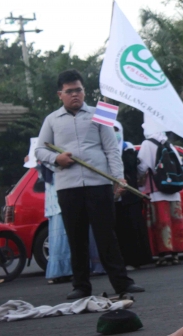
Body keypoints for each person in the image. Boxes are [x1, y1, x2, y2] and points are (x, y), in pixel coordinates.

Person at [35, 69, 144, 299]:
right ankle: (81, 287)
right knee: (76, 238)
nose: (75, 95)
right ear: (60, 94)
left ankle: (122, 284)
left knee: (107, 235)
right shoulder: (51, 120)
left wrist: (119, 177)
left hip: (99, 184)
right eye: (69, 91)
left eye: (78, 90)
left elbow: (111, 149)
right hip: (68, 187)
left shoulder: (100, 114)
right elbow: (40, 149)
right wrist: (56, 158)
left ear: (84, 91)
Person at [137, 115, 183, 266]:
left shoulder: (147, 144)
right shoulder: (169, 144)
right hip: (174, 192)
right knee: (175, 223)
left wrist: (139, 181)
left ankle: (163, 255)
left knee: (161, 223)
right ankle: (176, 254)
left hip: (157, 192)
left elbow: (142, 167)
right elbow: (181, 166)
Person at [113, 121, 153, 268]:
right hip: (115, 198)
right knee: (120, 230)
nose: (113, 132)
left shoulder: (127, 148)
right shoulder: (104, 150)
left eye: (116, 129)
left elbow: (133, 170)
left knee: (133, 227)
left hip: (129, 195)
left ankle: (137, 260)